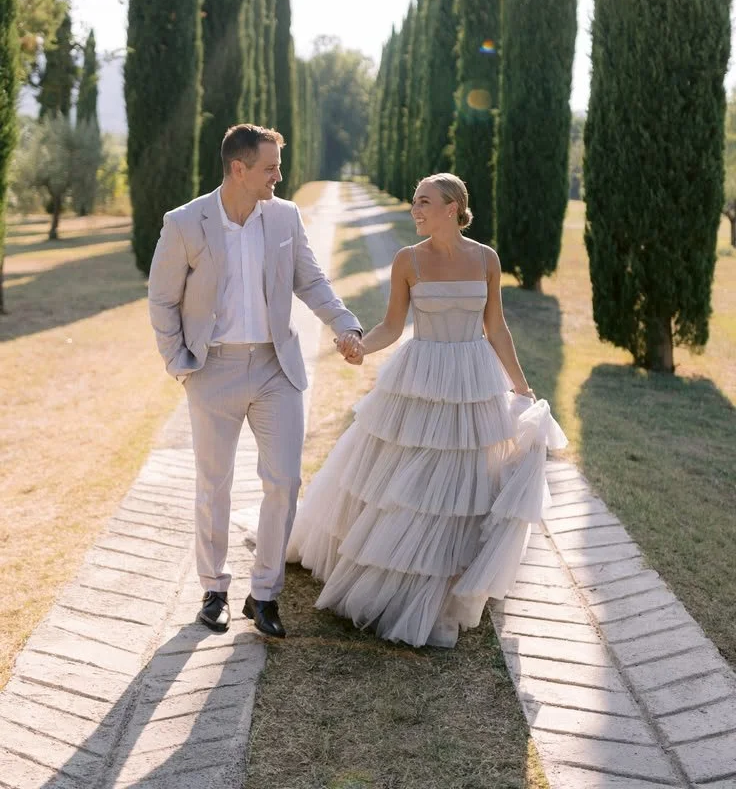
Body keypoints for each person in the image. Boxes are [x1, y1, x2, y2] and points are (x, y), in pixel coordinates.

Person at [288, 173, 567, 648]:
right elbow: (392, 326)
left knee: (464, 476)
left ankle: (451, 569)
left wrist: (519, 385)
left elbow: (496, 328)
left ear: (454, 207)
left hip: (474, 373)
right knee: (407, 480)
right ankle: (398, 572)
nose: (415, 210)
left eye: (424, 202)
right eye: (414, 203)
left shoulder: (486, 259)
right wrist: (359, 346)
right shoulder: (408, 260)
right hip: (420, 374)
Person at [148, 124, 363, 639]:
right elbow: (162, 299)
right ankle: (214, 590)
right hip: (212, 370)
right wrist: (181, 364)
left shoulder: (285, 216)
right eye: (271, 167)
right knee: (213, 485)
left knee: (285, 481)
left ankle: (264, 596)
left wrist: (345, 325)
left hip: (275, 368)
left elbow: (310, 278)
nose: (279, 176)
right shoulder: (185, 223)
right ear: (238, 168)